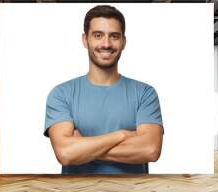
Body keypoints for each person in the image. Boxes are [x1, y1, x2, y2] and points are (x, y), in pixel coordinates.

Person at [44, 5, 164, 174]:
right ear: (85, 40)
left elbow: (150, 149)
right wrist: (121, 135)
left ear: (123, 42)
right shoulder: (61, 94)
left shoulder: (145, 93)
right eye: (98, 35)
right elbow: (65, 153)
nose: (106, 44)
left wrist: (83, 147)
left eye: (114, 36)